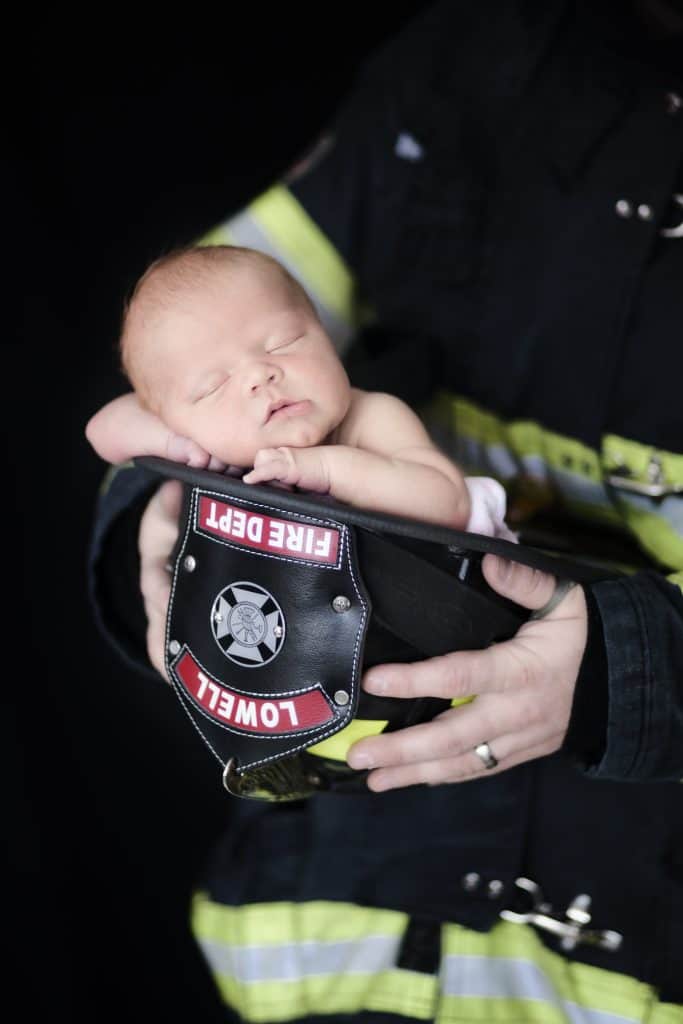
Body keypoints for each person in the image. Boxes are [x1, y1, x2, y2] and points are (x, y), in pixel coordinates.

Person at [87, 0, 683, 1019]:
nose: (265, 382)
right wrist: (159, 480)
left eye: (283, 351)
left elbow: (434, 496)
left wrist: (628, 668)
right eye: (223, 382)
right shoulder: (463, 63)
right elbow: (181, 337)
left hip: (630, 885)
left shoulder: (363, 420)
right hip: (338, 907)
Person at [85, 243, 513, 538]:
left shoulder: (368, 418)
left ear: (325, 336)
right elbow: (102, 429)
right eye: (213, 386)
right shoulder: (209, 443)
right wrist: (176, 443)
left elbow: (450, 503)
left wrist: (328, 470)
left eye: (284, 343)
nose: (260, 373)